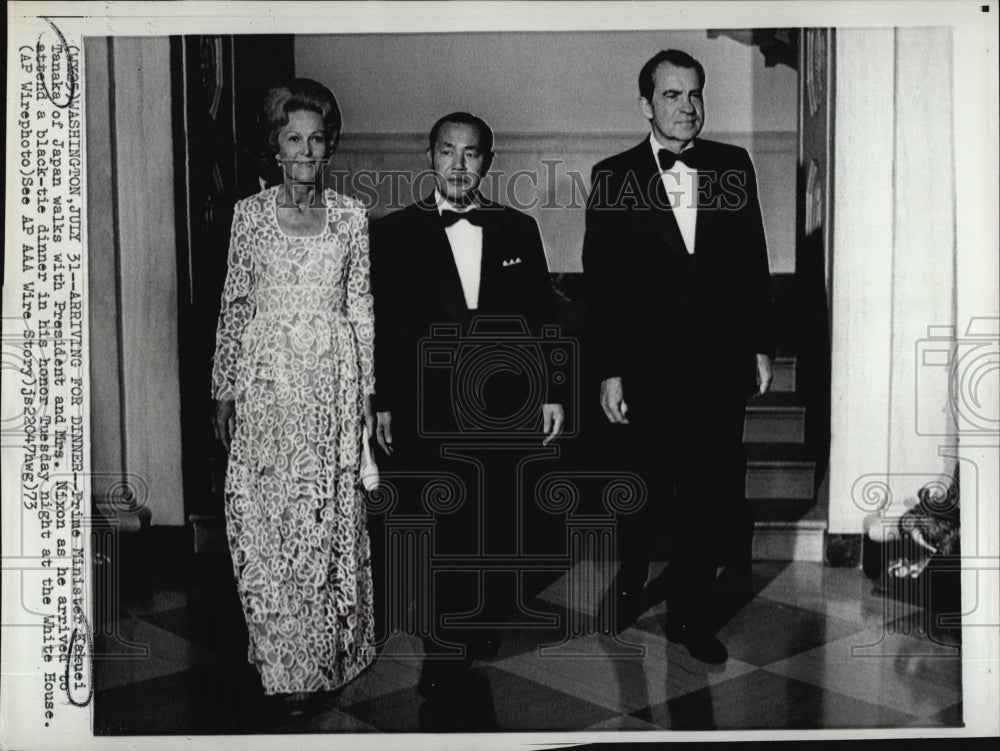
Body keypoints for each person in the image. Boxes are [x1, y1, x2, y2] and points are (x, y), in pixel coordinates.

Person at [582, 50, 775, 663]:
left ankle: (690, 614)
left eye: (695, 94)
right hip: (646, 367)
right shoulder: (613, 177)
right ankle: (632, 578)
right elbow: (602, 282)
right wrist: (610, 370)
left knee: (708, 491)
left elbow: (753, 265)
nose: (687, 107)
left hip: (718, 363)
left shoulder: (732, 165)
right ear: (646, 105)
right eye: (672, 95)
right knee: (643, 485)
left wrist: (760, 345)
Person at [369, 112, 564, 697]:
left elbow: (541, 318)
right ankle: (443, 646)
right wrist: (380, 401)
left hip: (501, 405)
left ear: (488, 161)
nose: (459, 164)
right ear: (430, 156)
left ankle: (475, 621)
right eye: (448, 151)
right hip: (424, 406)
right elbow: (382, 326)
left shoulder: (517, 228)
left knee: (493, 520)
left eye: (472, 153)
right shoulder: (394, 232)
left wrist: (552, 391)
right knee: (438, 525)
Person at [211, 78, 376, 701]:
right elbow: (235, 304)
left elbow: (360, 311)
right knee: (268, 520)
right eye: (293, 139)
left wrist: (365, 398)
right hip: (267, 386)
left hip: (331, 389)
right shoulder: (249, 217)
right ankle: (283, 658)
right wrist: (224, 389)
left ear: (328, 147)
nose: (305, 151)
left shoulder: (351, 218)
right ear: (275, 148)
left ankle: (325, 656)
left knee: (326, 517)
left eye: (316, 140)